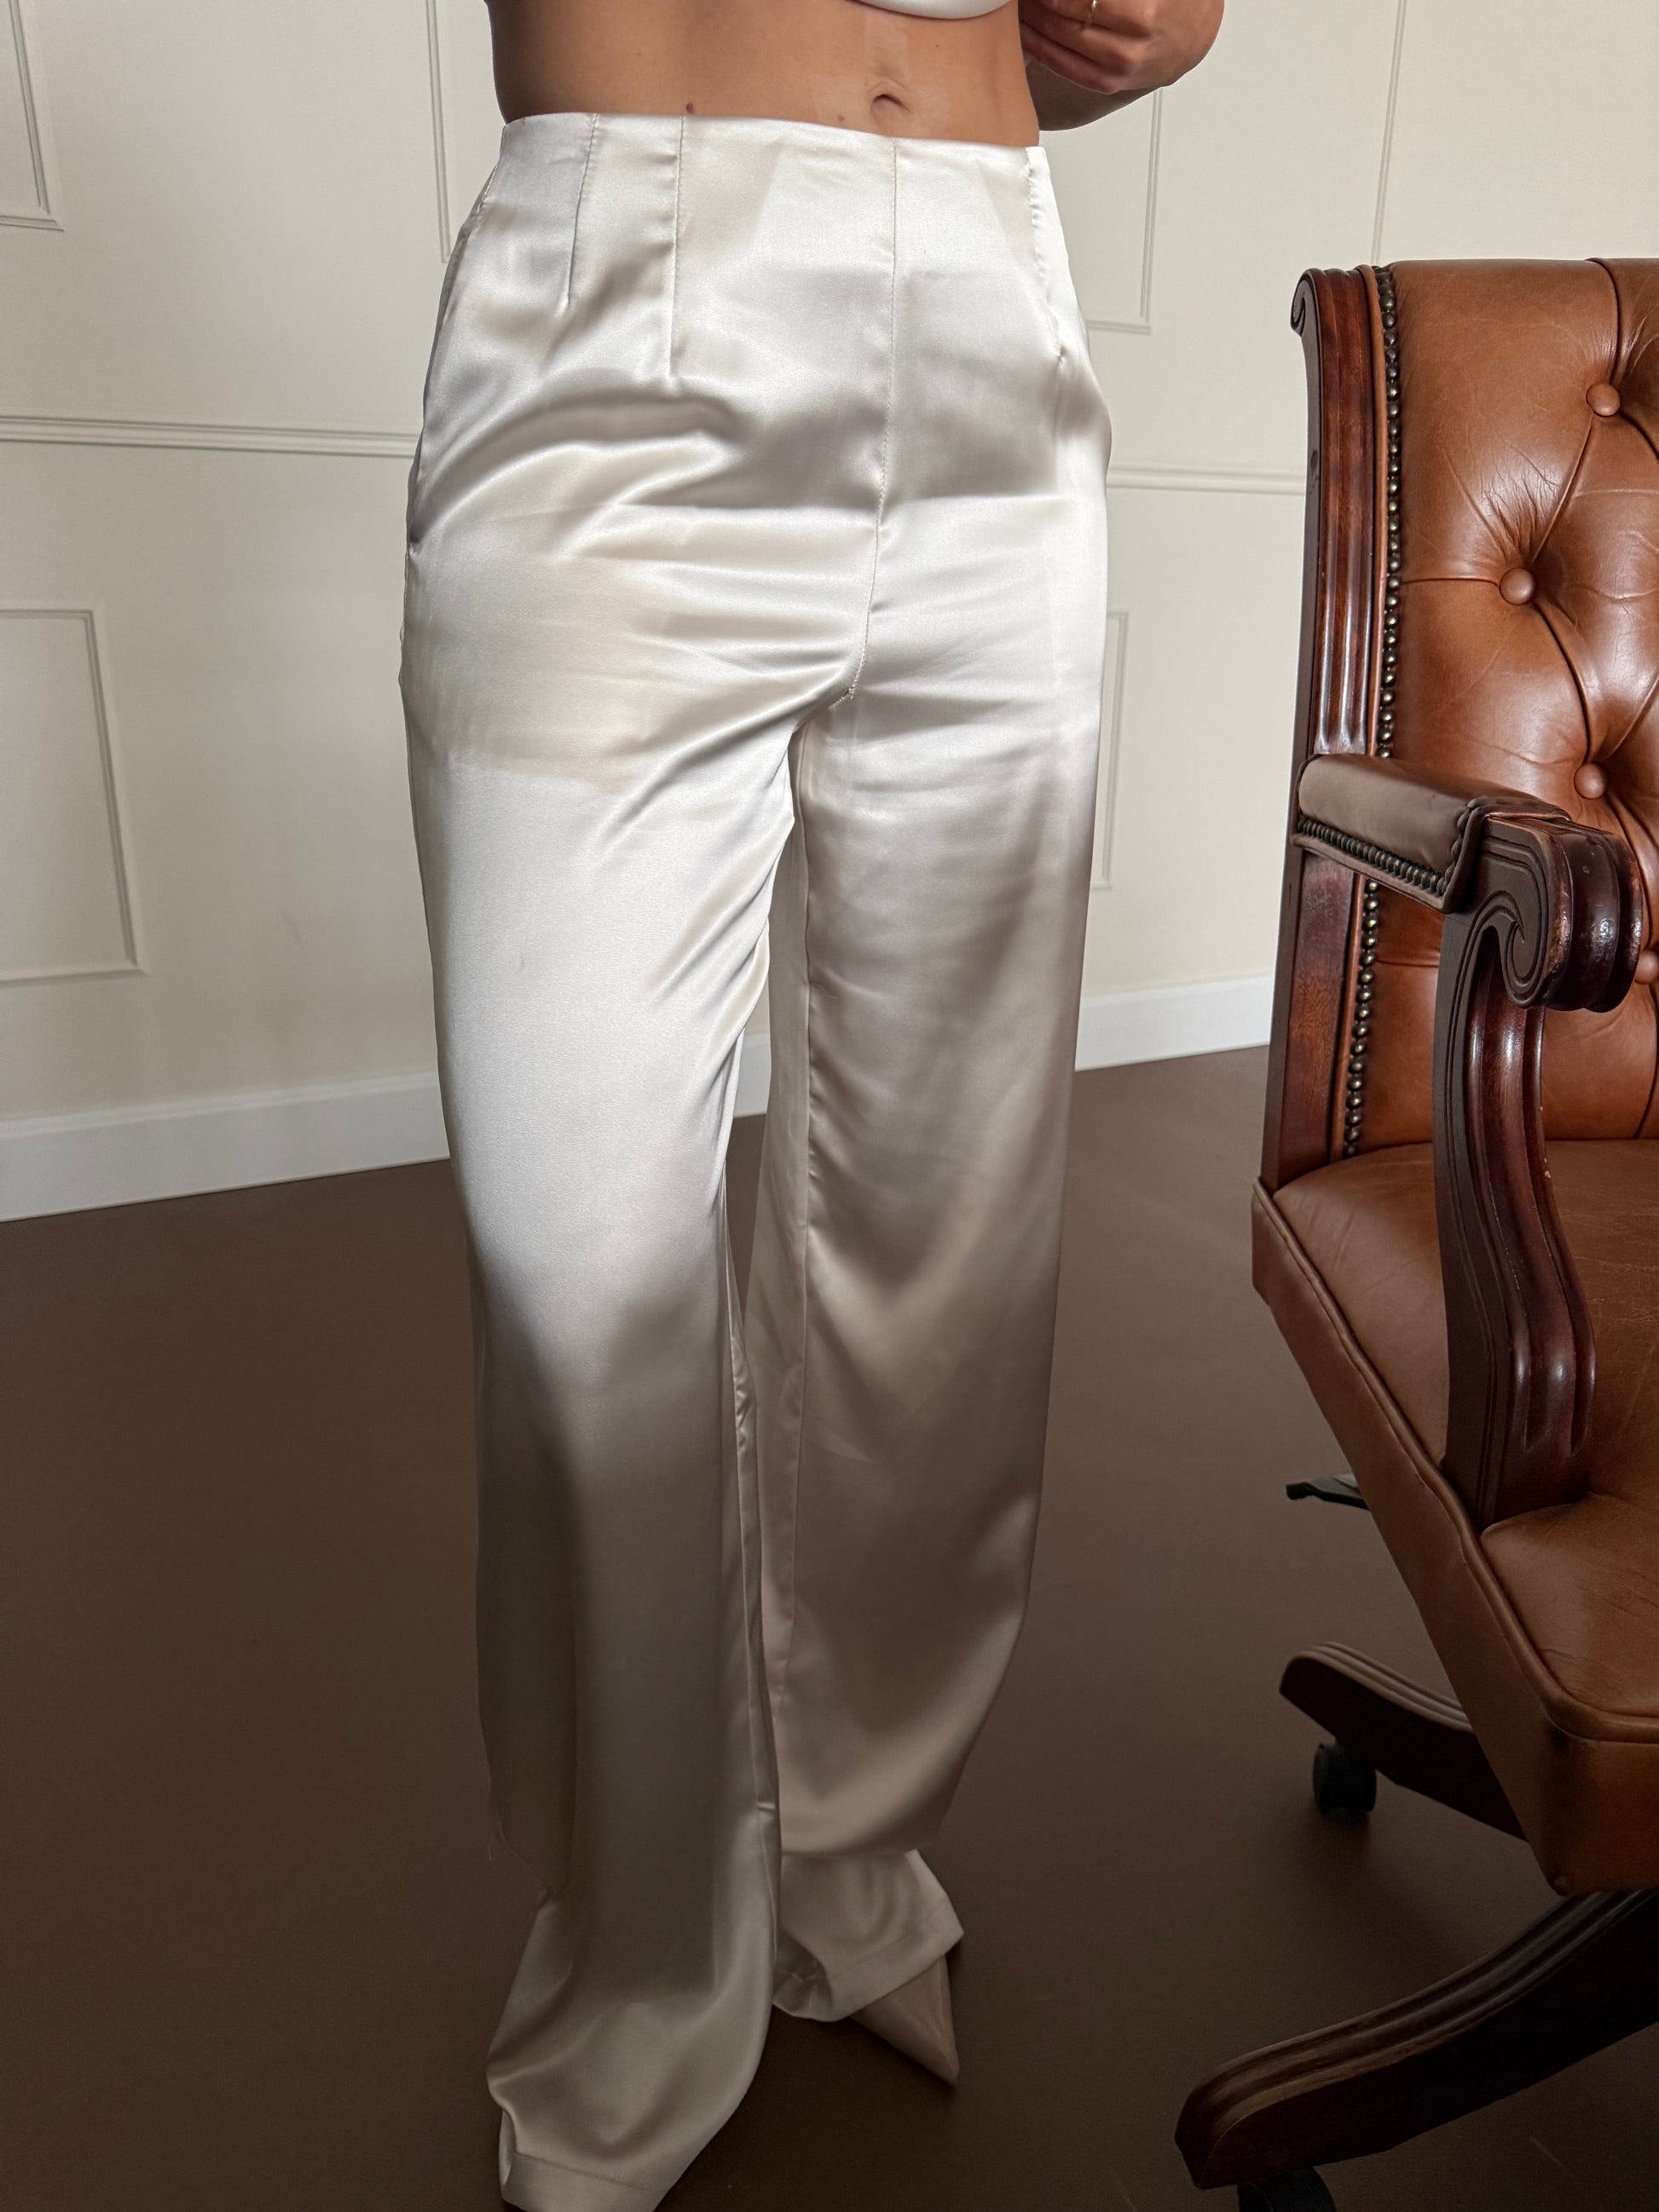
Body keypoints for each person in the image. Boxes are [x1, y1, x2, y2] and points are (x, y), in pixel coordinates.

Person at [399, 2, 1222, 2204]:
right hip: (623, 309)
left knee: (948, 1198)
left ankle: (845, 1837)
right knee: (581, 1252)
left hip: (992, 311)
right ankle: (646, 1945)